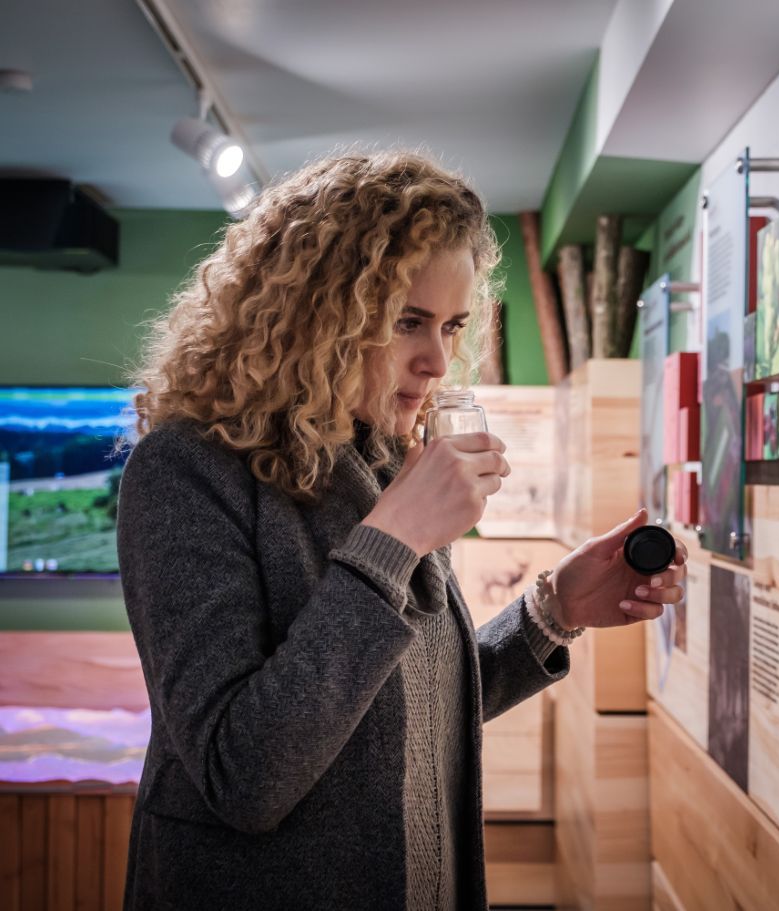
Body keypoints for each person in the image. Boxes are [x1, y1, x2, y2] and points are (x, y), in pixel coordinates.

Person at [116, 150, 687, 910]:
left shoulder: (380, 458)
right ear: (311, 316)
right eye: (407, 321)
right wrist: (391, 542)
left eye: (452, 326)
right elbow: (242, 773)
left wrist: (554, 611)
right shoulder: (184, 470)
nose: (437, 359)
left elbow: (398, 713)